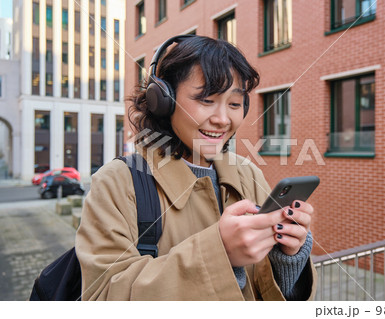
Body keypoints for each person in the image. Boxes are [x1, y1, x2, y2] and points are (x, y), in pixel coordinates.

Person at [75, 35, 317, 300]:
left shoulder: (249, 174)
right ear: (162, 100)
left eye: (235, 104)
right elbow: (102, 296)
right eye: (206, 100)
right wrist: (220, 253)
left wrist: (288, 258)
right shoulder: (117, 182)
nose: (222, 119)